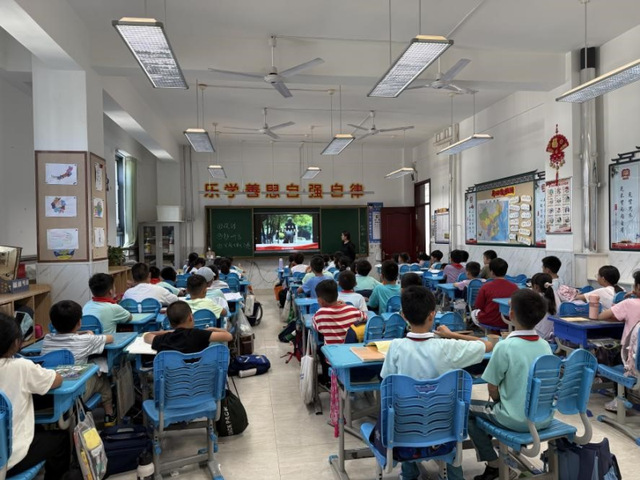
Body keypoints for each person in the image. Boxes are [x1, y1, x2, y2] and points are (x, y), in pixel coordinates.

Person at [374, 286, 492, 480]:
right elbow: (487, 345)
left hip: (404, 431)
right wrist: (452, 335)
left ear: (403, 316)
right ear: (433, 314)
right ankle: (454, 475)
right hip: (446, 427)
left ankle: (409, 473)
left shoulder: (395, 347)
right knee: (450, 411)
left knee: (403, 407)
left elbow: (386, 383)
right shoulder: (448, 346)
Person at [459, 289, 552, 480]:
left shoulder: (505, 346)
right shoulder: (545, 345)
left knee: (466, 410)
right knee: (486, 411)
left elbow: (492, 388)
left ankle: (494, 463)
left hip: (514, 419)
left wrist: (499, 403)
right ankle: (496, 449)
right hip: (543, 418)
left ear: (511, 314)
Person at [0, 313, 68, 479]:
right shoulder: (20, 366)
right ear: (15, 342)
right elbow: (56, 380)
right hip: (8, 460)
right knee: (60, 440)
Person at [41, 300, 116, 424]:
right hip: (76, 393)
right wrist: (90, 335)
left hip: (51, 393)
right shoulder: (86, 340)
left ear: (52, 324)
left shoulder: (47, 339)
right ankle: (109, 415)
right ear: (79, 322)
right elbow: (110, 338)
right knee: (101, 377)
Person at [599, 270, 640, 411]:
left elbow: (601, 316)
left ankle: (620, 399)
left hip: (634, 363)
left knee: (616, 357)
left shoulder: (629, 303)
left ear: (637, 287)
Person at [313, 280, 366, 382]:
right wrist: (345, 306)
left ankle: (327, 379)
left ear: (320, 301)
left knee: (320, 348)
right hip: (354, 356)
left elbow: (316, 327)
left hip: (333, 358)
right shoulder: (352, 310)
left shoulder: (320, 314)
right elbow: (364, 317)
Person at [143, 301, 232, 353]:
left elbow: (147, 336)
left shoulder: (163, 339)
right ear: (190, 317)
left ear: (170, 324)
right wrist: (213, 329)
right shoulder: (200, 334)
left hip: (172, 378)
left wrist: (170, 332)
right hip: (199, 376)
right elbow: (228, 336)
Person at [471, 258, 519, 330]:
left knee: (473, 313)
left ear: (492, 272)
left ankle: (489, 332)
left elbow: (478, 305)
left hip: (489, 320)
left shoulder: (485, 287)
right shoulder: (515, 287)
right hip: (509, 321)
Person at [530, 273, 557, 341]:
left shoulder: (535, 299)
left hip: (539, 336)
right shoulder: (555, 295)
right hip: (553, 336)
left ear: (536, 287)